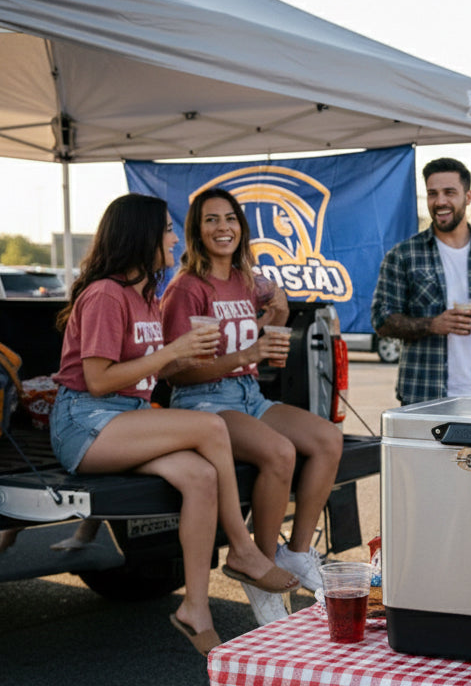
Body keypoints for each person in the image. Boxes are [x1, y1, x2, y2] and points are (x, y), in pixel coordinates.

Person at [49, 193, 294, 656]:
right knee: (210, 429)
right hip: (85, 421)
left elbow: (150, 369)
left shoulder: (146, 296)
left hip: (128, 417)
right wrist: (173, 353)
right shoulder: (105, 294)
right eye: (165, 228)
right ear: (140, 235)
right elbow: (98, 381)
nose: (173, 236)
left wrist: (254, 326)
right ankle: (242, 549)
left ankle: (194, 608)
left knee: (201, 477)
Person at [161, 188, 343, 625]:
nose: (222, 227)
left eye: (230, 219)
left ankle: (296, 553)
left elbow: (257, 338)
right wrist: (244, 357)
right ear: (196, 230)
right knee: (279, 452)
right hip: (203, 402)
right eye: (210, 220)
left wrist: (277, 315)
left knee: (328, 439)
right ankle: (258, 567)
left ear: (241, 227)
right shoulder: (187, 288)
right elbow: (175, 372)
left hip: (248, 395)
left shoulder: (246, 279)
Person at [372, 157, 471, 405]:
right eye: (432, 194)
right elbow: (382, 320)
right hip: (423, 396)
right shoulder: (403, 255)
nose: (440, 201)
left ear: (468, 196)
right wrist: (432, 325)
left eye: (449, 192)